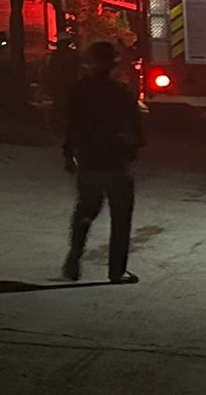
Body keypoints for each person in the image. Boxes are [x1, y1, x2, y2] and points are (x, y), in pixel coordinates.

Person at [62, 41, 143, 284]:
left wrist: (68, 154)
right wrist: (133, 148)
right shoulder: (121, 91)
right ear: (113, 64)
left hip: (89, 160)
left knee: (85, 211)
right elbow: (135, 126)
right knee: (121, 218)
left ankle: (74, 258)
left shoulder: (79, 89)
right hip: (117, 161)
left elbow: (70, 124)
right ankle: (116, 270)